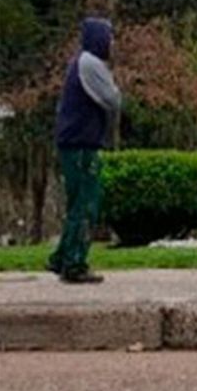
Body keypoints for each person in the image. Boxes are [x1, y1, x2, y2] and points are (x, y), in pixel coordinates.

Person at [47, 17, 122, 284]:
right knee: (86, 204)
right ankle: (75, 263)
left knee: (76, 203)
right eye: (110, 37)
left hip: (72, 142)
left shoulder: (81, 61)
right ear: (100, 38)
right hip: (82, 144)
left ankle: (61, 257)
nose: (113, 43)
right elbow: (113, 99)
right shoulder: (91, 63)